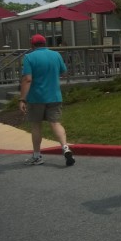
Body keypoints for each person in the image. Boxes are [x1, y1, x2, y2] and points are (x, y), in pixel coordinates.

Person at [19, 34, 75, 167]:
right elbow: (63, 71)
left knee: (36, 125)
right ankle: (65, 148)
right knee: (55, 123)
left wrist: (22, 99)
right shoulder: (56, 55)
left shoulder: (29, 57)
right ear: (44, 43)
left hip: (36, 97)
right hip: (54, 96)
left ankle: (37, 156)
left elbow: (27, 79)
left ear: (32, 45)